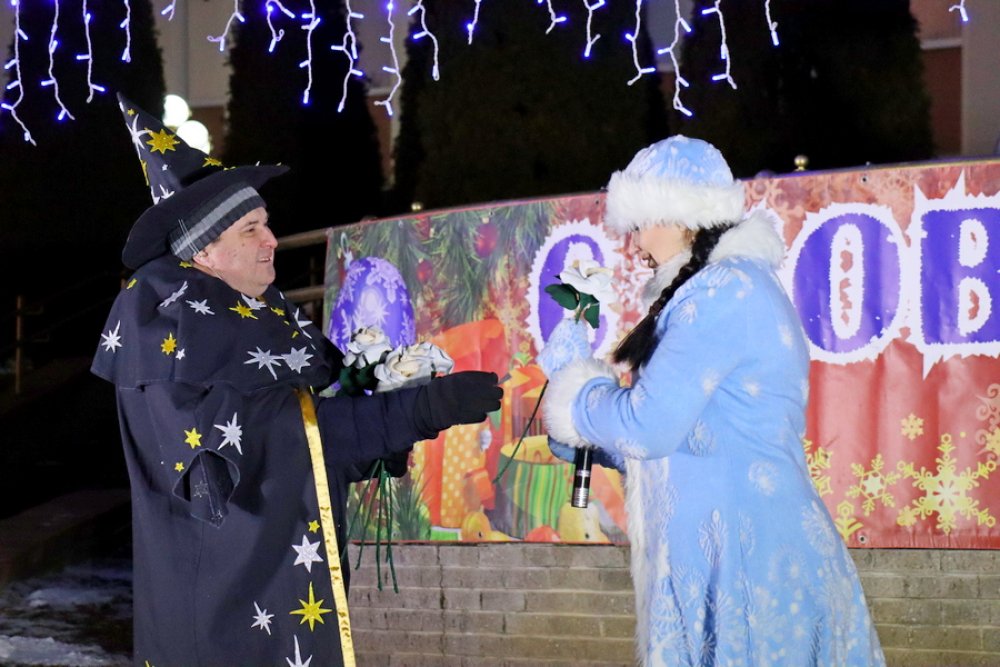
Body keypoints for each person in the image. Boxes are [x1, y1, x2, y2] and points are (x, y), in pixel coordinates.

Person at [92, 93, 503, 666]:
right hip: (224, 619)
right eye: (252, 229)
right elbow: (277, 439)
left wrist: (395, 403)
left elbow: (319, 444)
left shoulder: (260, 319)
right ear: (206, 250)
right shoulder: (174, 331)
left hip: (277, 598)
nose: (271, 240)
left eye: (267, 225)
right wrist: (419, 410)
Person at [540, 136, 885, 666]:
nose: (636, 244)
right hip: (725, 557)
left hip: (750, 565)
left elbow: (649, 427)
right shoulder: (718, 288)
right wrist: (587, 437)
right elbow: (691, 442)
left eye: (641, 224)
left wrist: (577, 392)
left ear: (682, 217)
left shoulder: (724, 290)